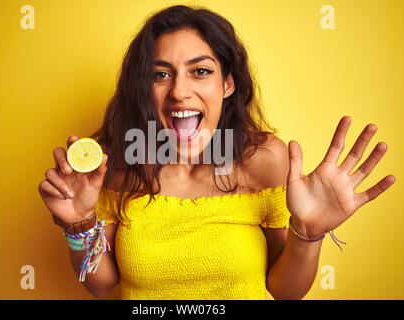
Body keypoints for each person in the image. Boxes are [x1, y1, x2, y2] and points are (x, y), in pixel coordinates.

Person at [38, 5, 395, 300]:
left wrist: (308, 231)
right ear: (143, 89)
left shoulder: (264, 160)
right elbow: (102, 285)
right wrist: (79, 224)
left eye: (201, 71)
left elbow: (286, 292)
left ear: (227, 83)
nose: (179, 91)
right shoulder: (119, 165)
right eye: (161, 74)